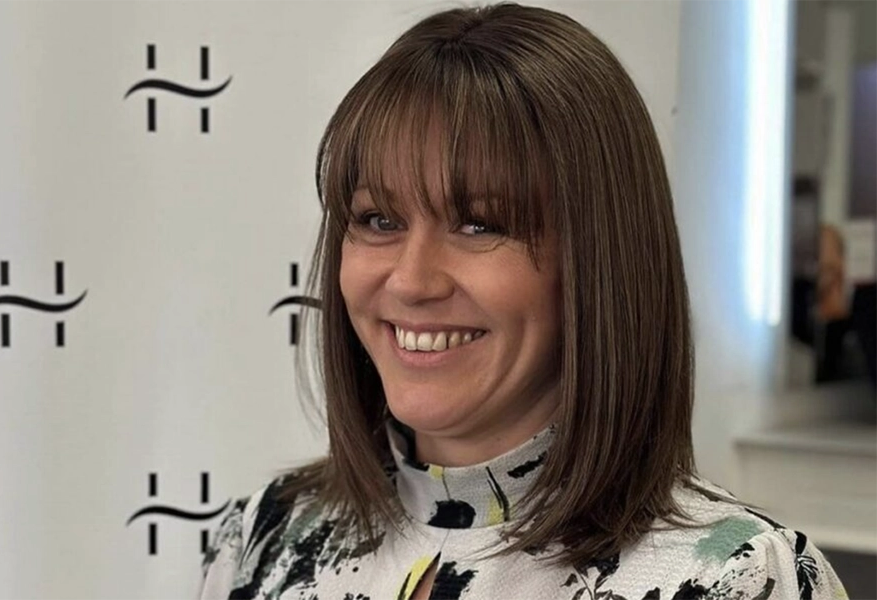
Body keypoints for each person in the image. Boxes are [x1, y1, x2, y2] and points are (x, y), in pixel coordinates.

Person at [199, 4, 848, 599]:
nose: (412, 280)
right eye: (378, 219)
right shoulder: (264, 539)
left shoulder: (738, 580)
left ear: (599, 262)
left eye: (479, 224)